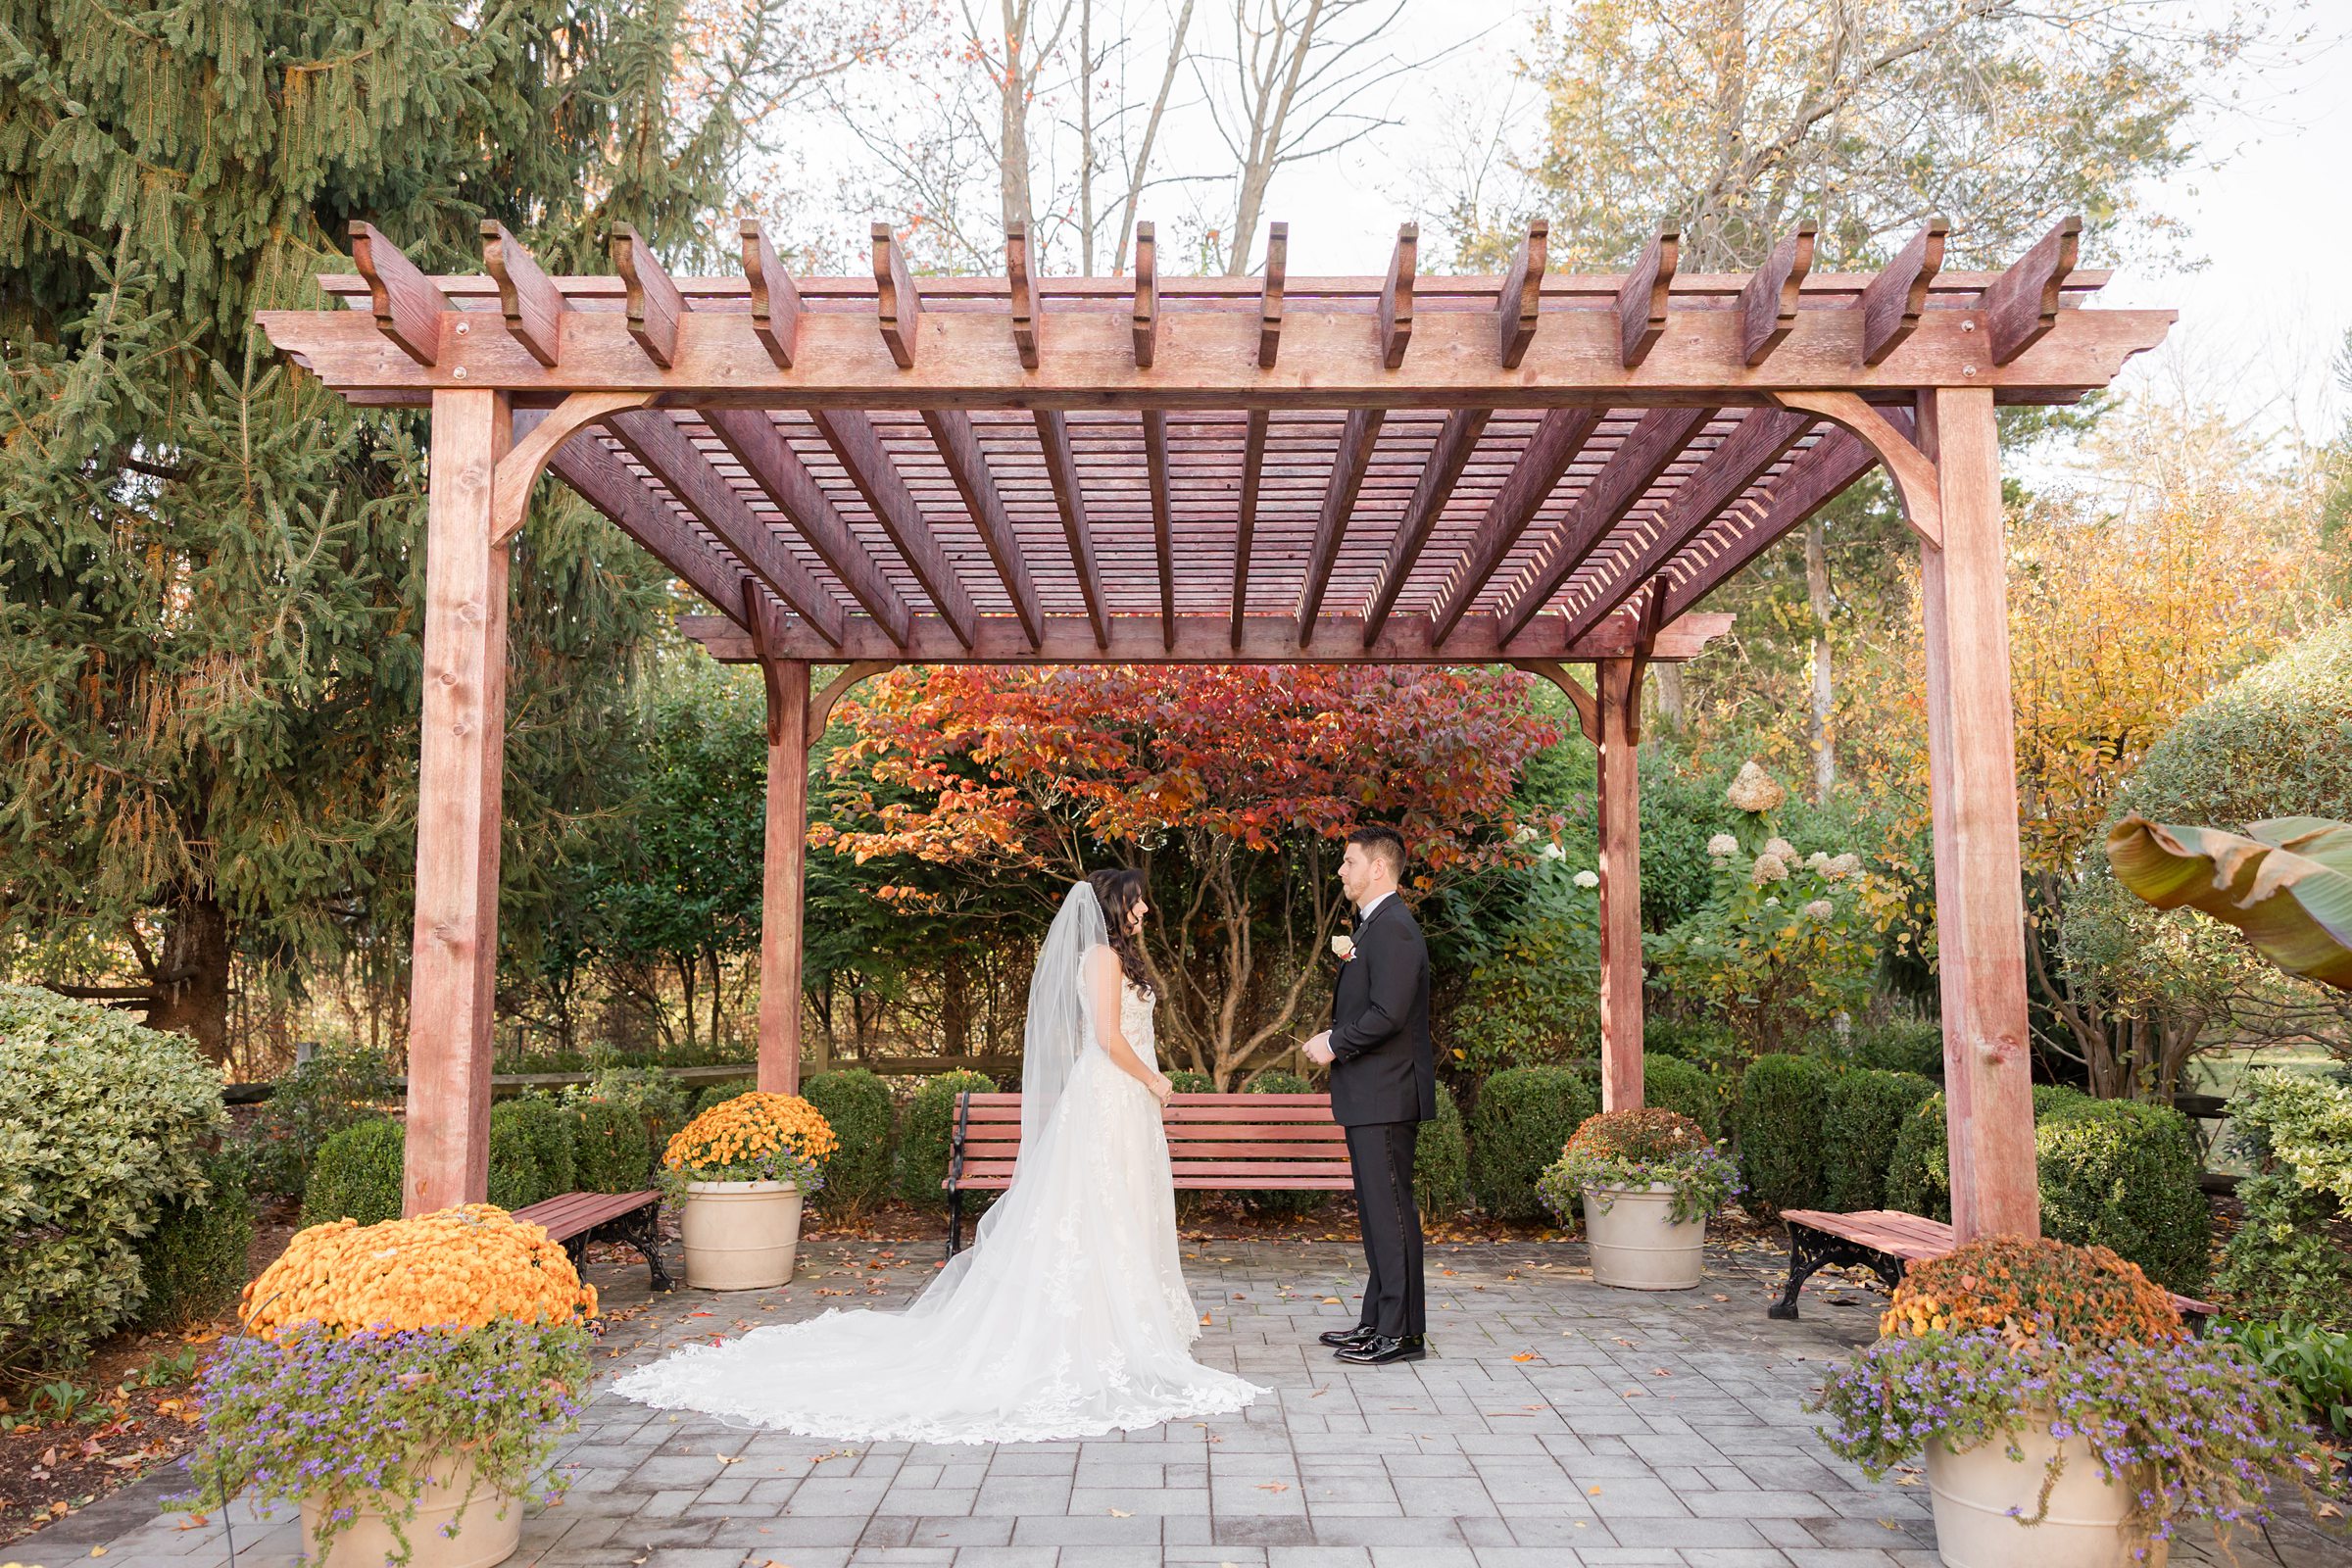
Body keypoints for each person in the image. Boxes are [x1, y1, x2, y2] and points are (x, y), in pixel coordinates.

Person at [611, 869, 1266, 1442]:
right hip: (1111, 1097)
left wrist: (1149, 1087)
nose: (1146, 910)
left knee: (1121, 1208)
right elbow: (1103, 1036)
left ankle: (1129, 1317)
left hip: (1128, 1104)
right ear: (1110, 906)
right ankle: (1102, 1326)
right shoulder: (1100, 958)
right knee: (1094, 1210)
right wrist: (1154, 1081)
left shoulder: (1123, 959)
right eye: (1137, 901)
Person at [1301, 824, 1435, 1365]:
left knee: (1391, 1214)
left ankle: (1401, 1335)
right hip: (1370, 1094)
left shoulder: (1395, 929)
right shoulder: (1375, 926)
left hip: (1386, 1094)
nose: (1342, 870)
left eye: (1349, 862)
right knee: (1379, 1214)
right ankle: (1377, 1321)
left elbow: (1389, 1014)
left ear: (1378, 868)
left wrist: (1334, 1042)